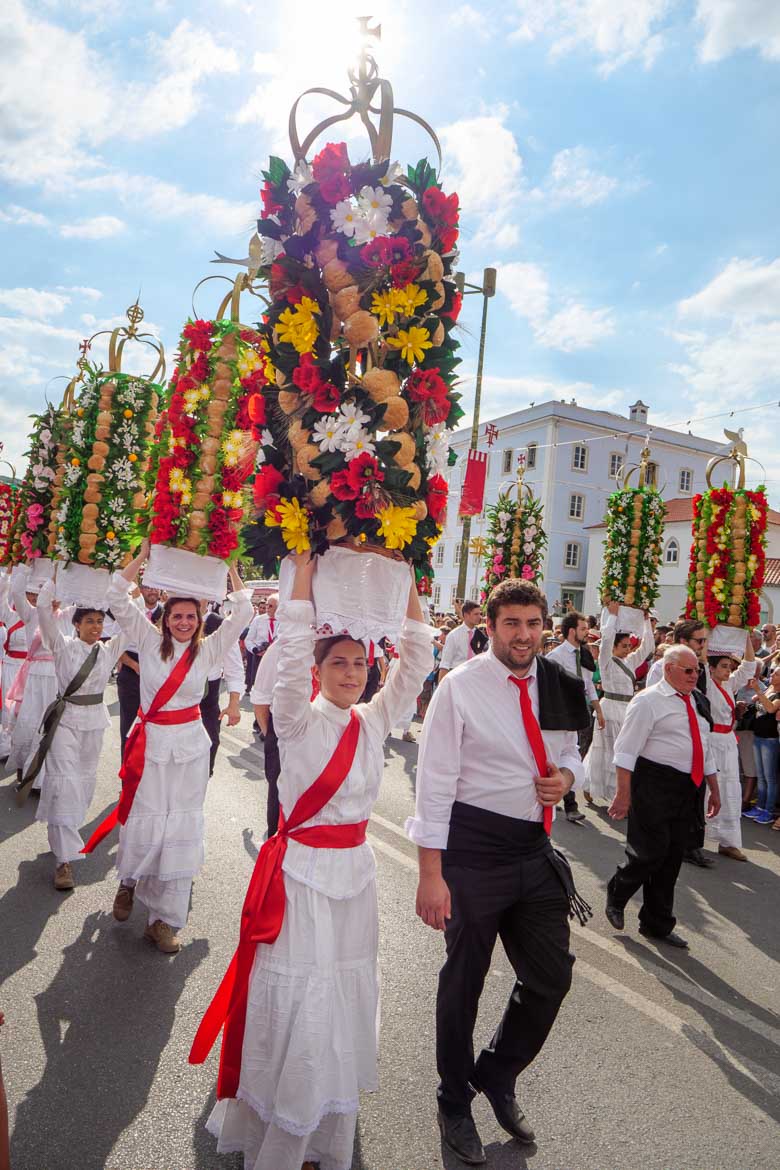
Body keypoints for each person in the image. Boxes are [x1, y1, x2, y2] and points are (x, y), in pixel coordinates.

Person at [196, 552, 433, 1170]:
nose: (352, 673)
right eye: (340, 663)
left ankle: (322, 1123)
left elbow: (417, 664)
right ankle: (280, 1126)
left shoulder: (376, 719)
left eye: (360, 663)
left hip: (355, 878)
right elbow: (296, 635)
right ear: (318, 671)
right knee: (299, 995)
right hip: (298, 876)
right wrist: (302, 570)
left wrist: (406, 580)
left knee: (340, 997)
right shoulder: (296, 719)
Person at [407, 578, 590, 1165]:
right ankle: (453, 1101)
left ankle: (497, 1070)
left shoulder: (560, 681)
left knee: (550, 976)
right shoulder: (460, 688)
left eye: (533, 623)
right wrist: (429, 874)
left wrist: (565, 780)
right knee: (463, 982)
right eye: (512, 624)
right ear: (490, 628)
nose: (524, 635)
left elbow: (570, 753)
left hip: (533, 853)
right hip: (470, 851)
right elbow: (432, 785)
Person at [83, 539, 252, 954]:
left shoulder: (210, 649)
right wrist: (142, 556)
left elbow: (243, 612)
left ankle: (163, 920)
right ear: (165, 619)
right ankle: (127, 883)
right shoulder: (143, 635)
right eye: (177, 615)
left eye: (190, 616)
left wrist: (230, 566)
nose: (183, 622)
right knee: (146, 819)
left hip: (191, 747)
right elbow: (113, 596)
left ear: (199, 619)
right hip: (152, 745)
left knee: (181, 825)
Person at [605, 646, 720, 949]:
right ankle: (617, 893)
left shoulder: (697, 700)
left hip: (688, 786)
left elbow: (704, 746)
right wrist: (623, 794)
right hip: (654, 782)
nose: (695, 676)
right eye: (689, 670)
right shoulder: (648, 701)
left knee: (671, 859)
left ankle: (656, 923)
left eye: (698, 671)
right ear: (669, 669)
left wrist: (714, 788)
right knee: (650, 851)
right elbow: (626, 750)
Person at [23, 579, 126, 889]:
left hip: (94, 723)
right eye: (89, 621)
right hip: (65, 722)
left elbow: (132, 626)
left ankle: (62, 833)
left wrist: (127, 593)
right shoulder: (62, 646)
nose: (95, 626)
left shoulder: (109, 650)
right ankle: (64, 862)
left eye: (99, 621)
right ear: (76, 624)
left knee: (82, 786)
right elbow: (43, 610)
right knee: (65, 786)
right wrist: (57, 578)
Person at [583, 602, 654, 807]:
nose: (628, 649)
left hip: (627, 711)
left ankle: (618, 794)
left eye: (629, 646)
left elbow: (647, 647)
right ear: (614, 647)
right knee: (604, 751)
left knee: (622, 753)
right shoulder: (606, 660)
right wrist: (613, 616)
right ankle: (593, 786)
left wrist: (646, 621)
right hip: (609, 708)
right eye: (623, 646)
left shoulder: (630, 661)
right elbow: (606, 639)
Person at [547, 611, 605, 822]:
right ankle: (570, 804)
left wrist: (598, 710)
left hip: (583, 712)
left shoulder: (586, 655)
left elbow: (589, 684)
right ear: (572, 631)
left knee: (577, 753)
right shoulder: (556, 657)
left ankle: (561, 792)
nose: (587, 633)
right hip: (563, 714)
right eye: (582, 629)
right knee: (565, 753)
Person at [703, 637, 757, 861]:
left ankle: (728, 842)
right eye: (723, 666)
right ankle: (696, 838)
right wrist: (708, 630)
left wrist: (744, 636)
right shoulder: (705, 681)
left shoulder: (729, 683)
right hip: (710, 740)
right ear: (712, 668)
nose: (728, 670)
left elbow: (749, 665)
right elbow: (702, 660)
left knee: (730, 791)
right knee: (707, 790)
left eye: (729, 667)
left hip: (727, 741)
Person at [6, 564, 57, 788]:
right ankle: (24, 770)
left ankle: (43, 778)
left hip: (57, 677)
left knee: (51, 726)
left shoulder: (66, 616)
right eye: (35, 594)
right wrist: (28, 563)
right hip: (34, 675)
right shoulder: (30, 614)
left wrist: (59, 571)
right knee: (28, 722)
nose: (38, 597)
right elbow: (16, 591)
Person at [115, 582, 163, 759]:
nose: (152, 591)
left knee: (155, 729)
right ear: (139, 590)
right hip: (131, 670)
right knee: (129, 728)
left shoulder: (167, 614)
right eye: (148, 587)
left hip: (158, 672)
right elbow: (115, 645)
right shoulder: (129, 613)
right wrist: (134, 666)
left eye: (155, 587)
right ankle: (127, 779)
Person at [200, 602, 244, 777]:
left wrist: (234, 704)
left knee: (209, 745)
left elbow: (234, 668)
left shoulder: (219, 624)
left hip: (207, 698)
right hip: (173, 699)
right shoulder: (170, 618)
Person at [250, 634, 283, 838]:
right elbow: (261, 700)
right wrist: (272, 738)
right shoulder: (284, 645)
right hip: (285, 741)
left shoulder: (345, 640)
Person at [745, 666, 780, 826]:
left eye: (777, 673)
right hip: (759, 736)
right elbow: (756, 702)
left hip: (770, 739)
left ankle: (769, 810)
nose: (772, 675)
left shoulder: (778, 694)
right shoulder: (769, 689)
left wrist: (759, 692)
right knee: (761, 776)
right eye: (773, 672)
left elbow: (771, 709)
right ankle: (760, 807)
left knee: (770, 777)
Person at [0, 569, 27, 761]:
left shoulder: (41, 616)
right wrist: (8, 575)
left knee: (27, 710)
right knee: (9, 709)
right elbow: (2, 595)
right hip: (11, 665)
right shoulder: (10, 616)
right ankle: (5, 743)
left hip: (32, 668)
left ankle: (24, 747)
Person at [437, 600, 485, 679]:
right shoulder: (454, 635)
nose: (479, 617)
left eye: (480, 614)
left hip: (474, 678)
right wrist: (442, 688)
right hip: (456, 677)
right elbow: (445, 663)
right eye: (476, 614)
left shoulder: (481, 635)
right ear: (466, 615)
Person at [244, 593, 278, 692]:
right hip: (259, 655)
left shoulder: (284, 621)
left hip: (276, 656)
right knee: (258, 682)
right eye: (266, 605)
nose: (267, 608)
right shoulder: (258, 620)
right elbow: (248, 639)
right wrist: (255, 650)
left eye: (270, 606)